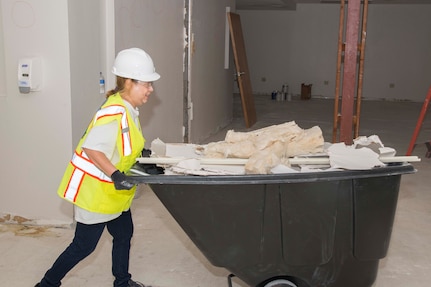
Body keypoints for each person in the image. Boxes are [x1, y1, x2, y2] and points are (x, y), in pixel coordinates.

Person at [34, 48, 160, 287]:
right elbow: (93, 149)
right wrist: (116, 175)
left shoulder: (129, 109)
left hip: (114, 193)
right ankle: (46, 284)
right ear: (129, 82)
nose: (151, 89)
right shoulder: (113, 112)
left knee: (124, 234)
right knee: (84, 246)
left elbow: (121, 146)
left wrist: (142, 160)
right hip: (96, 193)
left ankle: (122, 281)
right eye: (147, 83)